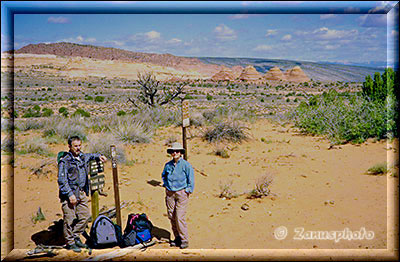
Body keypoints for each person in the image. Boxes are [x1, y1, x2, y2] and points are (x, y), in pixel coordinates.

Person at [57, 135, 107, 252]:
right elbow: (61, 180)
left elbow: (90, 155)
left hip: (81, 192)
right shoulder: (65, 161)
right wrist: (70, 194)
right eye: (75, 146)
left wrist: (99, 156)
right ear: (69, 147)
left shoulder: (82, 156)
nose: (78, 148)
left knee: (84, 216)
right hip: (70, 194)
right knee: (69, 219)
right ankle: (70, 243)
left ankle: (75, 236)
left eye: (79, 145)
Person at [161, 142, 194, 249]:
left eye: (177, 151)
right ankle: (177, 238)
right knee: (171, 216)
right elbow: (164, 176)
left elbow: (191, 179)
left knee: (179, 217)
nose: (175, 153)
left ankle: (184, 240)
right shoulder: (168, 165)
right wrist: (166, 185)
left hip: (181, 193)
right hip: (170, 193)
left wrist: (187, 190)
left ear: (181, 153)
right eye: (173, 151)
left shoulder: (186, 165)